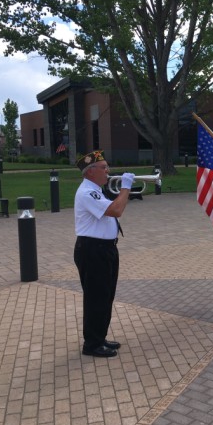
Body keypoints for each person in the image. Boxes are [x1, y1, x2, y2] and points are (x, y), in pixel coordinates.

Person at [74, 150, 135, 357]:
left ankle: (99, 337)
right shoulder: (87, 192)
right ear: (90, 172)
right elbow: (116, 210)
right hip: (93, 250)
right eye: (104, 167)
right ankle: (91, 344)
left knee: (106, 296)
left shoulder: (97, 190)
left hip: (105, 249)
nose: (108, 171)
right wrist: (125, 187)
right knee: (95, 298)